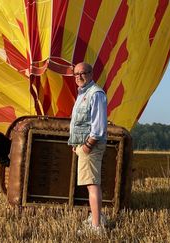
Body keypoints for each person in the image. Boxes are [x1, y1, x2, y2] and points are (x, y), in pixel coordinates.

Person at [68, 62, 108, 232]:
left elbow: (98, 126)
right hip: (82, 145)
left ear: (92, 74)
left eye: (83, 73)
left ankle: (96, 226)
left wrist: (87, 146)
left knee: (92, 185)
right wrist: (75, 143)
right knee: (90, 183)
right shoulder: (82, 94)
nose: (79, 77)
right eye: (76, 74)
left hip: (91, 146)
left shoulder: (96, 94)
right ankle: (97, 217)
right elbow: (80, 122)